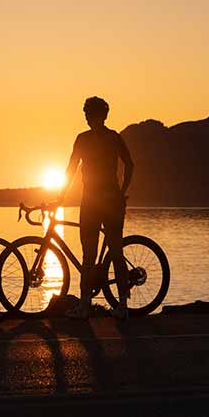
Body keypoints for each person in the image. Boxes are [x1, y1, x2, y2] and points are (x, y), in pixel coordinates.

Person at [58, 96, 134, 319]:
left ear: (95, 115)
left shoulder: (88, 138)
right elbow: (129, 164)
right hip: (108, 199)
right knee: (113, 251)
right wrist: (122, 192)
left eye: (88, 112)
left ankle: (85, 306)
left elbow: (71, 169)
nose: (86, 116)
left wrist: (60, 196)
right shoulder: (112, 137)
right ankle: (120, 306)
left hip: (95, 200)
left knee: (92, 254)